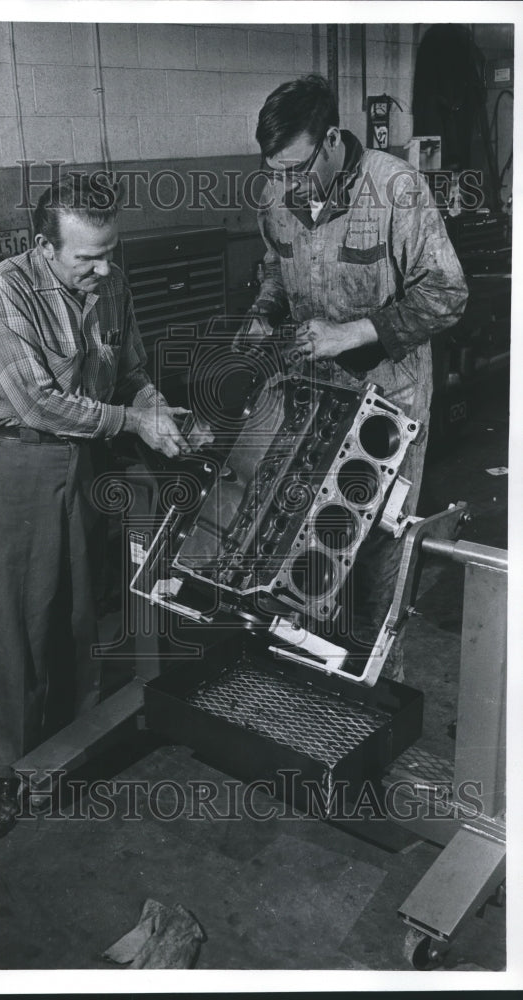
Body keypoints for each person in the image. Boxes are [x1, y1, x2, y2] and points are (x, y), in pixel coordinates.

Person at [0, 173, 193, 838]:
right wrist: (132, 421)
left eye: (110, 251)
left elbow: (131, 372)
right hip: (17, 464)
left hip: (83, 464)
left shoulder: (112, 285)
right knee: (15, 633)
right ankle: (11, 774)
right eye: (86, 257)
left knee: (75, 619)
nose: (103, 268)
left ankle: (67, 753)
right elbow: (37, 402)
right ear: (44, 246)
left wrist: (153, 408)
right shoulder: (3, 289)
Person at [239, 74, 468, 679]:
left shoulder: (396, 188)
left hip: (388, 407)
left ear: (333, 139)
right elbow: (273, 269)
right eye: (273, 170)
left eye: (294, 168)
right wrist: (263, 314)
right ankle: (309, 687)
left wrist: (353, 333)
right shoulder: (276, 196)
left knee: (378, 555)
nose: (283, 185)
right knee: (305, 551)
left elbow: (447, 295)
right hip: (313, 403)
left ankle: (376, 696)